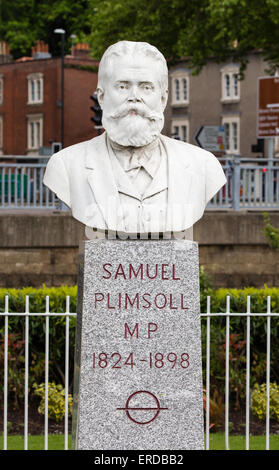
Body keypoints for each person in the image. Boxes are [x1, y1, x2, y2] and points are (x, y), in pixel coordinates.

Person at [43, 40, 226, 235]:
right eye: (122, 87)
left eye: (146, 87)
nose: (134, 97)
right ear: (102, 97)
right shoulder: (65, 165)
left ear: (163, 99)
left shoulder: (203, 165)